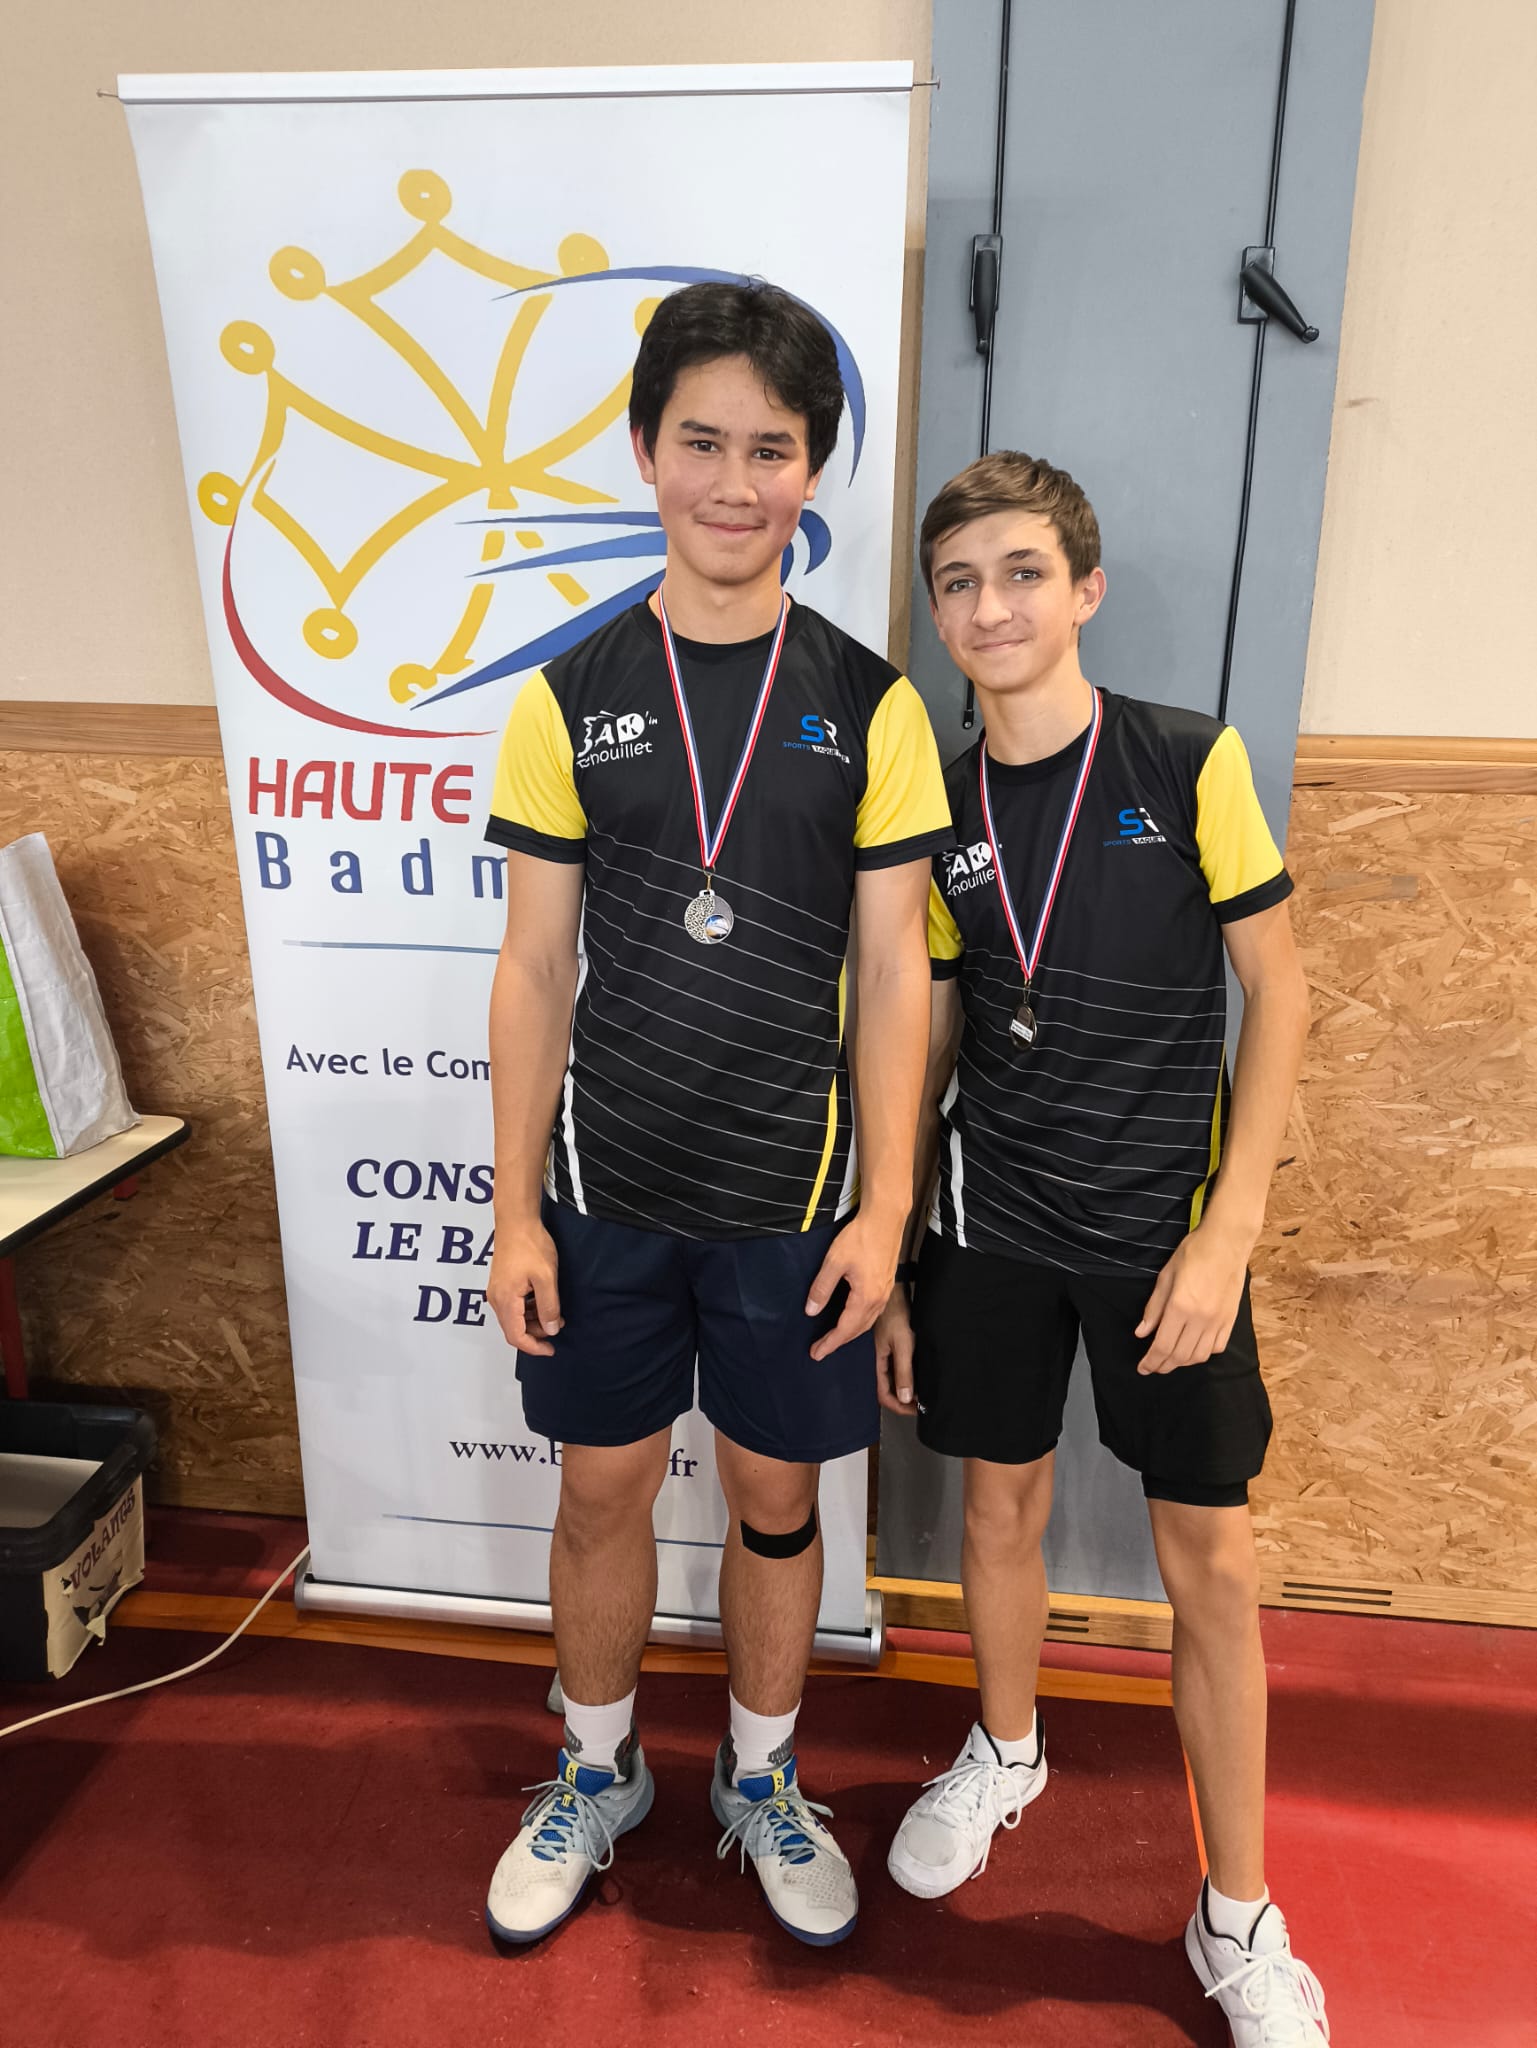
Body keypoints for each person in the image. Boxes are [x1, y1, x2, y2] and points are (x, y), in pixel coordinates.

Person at [480, 281, 952, 1949]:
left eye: (770, 448)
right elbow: (534, 966)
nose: (734, 483)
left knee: (775, 1501)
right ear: (643, 451)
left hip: (793, 1201)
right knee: (600, 1492)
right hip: (606, 1187)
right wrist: (514, 1207)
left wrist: (885, 1209)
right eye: (702, 442)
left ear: (811, 469)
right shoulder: (565, 696)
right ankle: (595, 1769)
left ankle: (759, 1779)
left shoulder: (874, 706)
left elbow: (893, 973)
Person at [876, 452, 1326, 2045]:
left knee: (1211, 1562)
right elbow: (930, 1034)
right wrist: (896, 1249)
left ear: (1083, 590)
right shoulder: (929, 804)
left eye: (1019, 573)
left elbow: (1276, 990)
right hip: (989, 1223)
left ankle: (1238, 1912)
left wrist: (1227, 1237)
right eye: (956, 583)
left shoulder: (1184, 758)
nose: (987, 607)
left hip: (1162, 1238)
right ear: (937, 615)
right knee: (995, 1506)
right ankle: (1006, 1749)